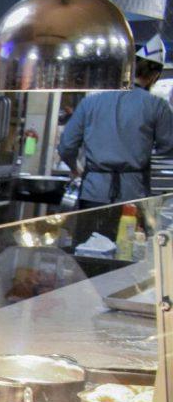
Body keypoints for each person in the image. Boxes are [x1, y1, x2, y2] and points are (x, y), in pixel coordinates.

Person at [58, 34, 173, 244]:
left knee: (86, 251)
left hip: (93, 192)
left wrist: (74, 168)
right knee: (125, 255)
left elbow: (66, 146)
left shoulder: (91, 103)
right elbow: (169, 147)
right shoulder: (157, 106)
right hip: (132, 195)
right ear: (155, 75)